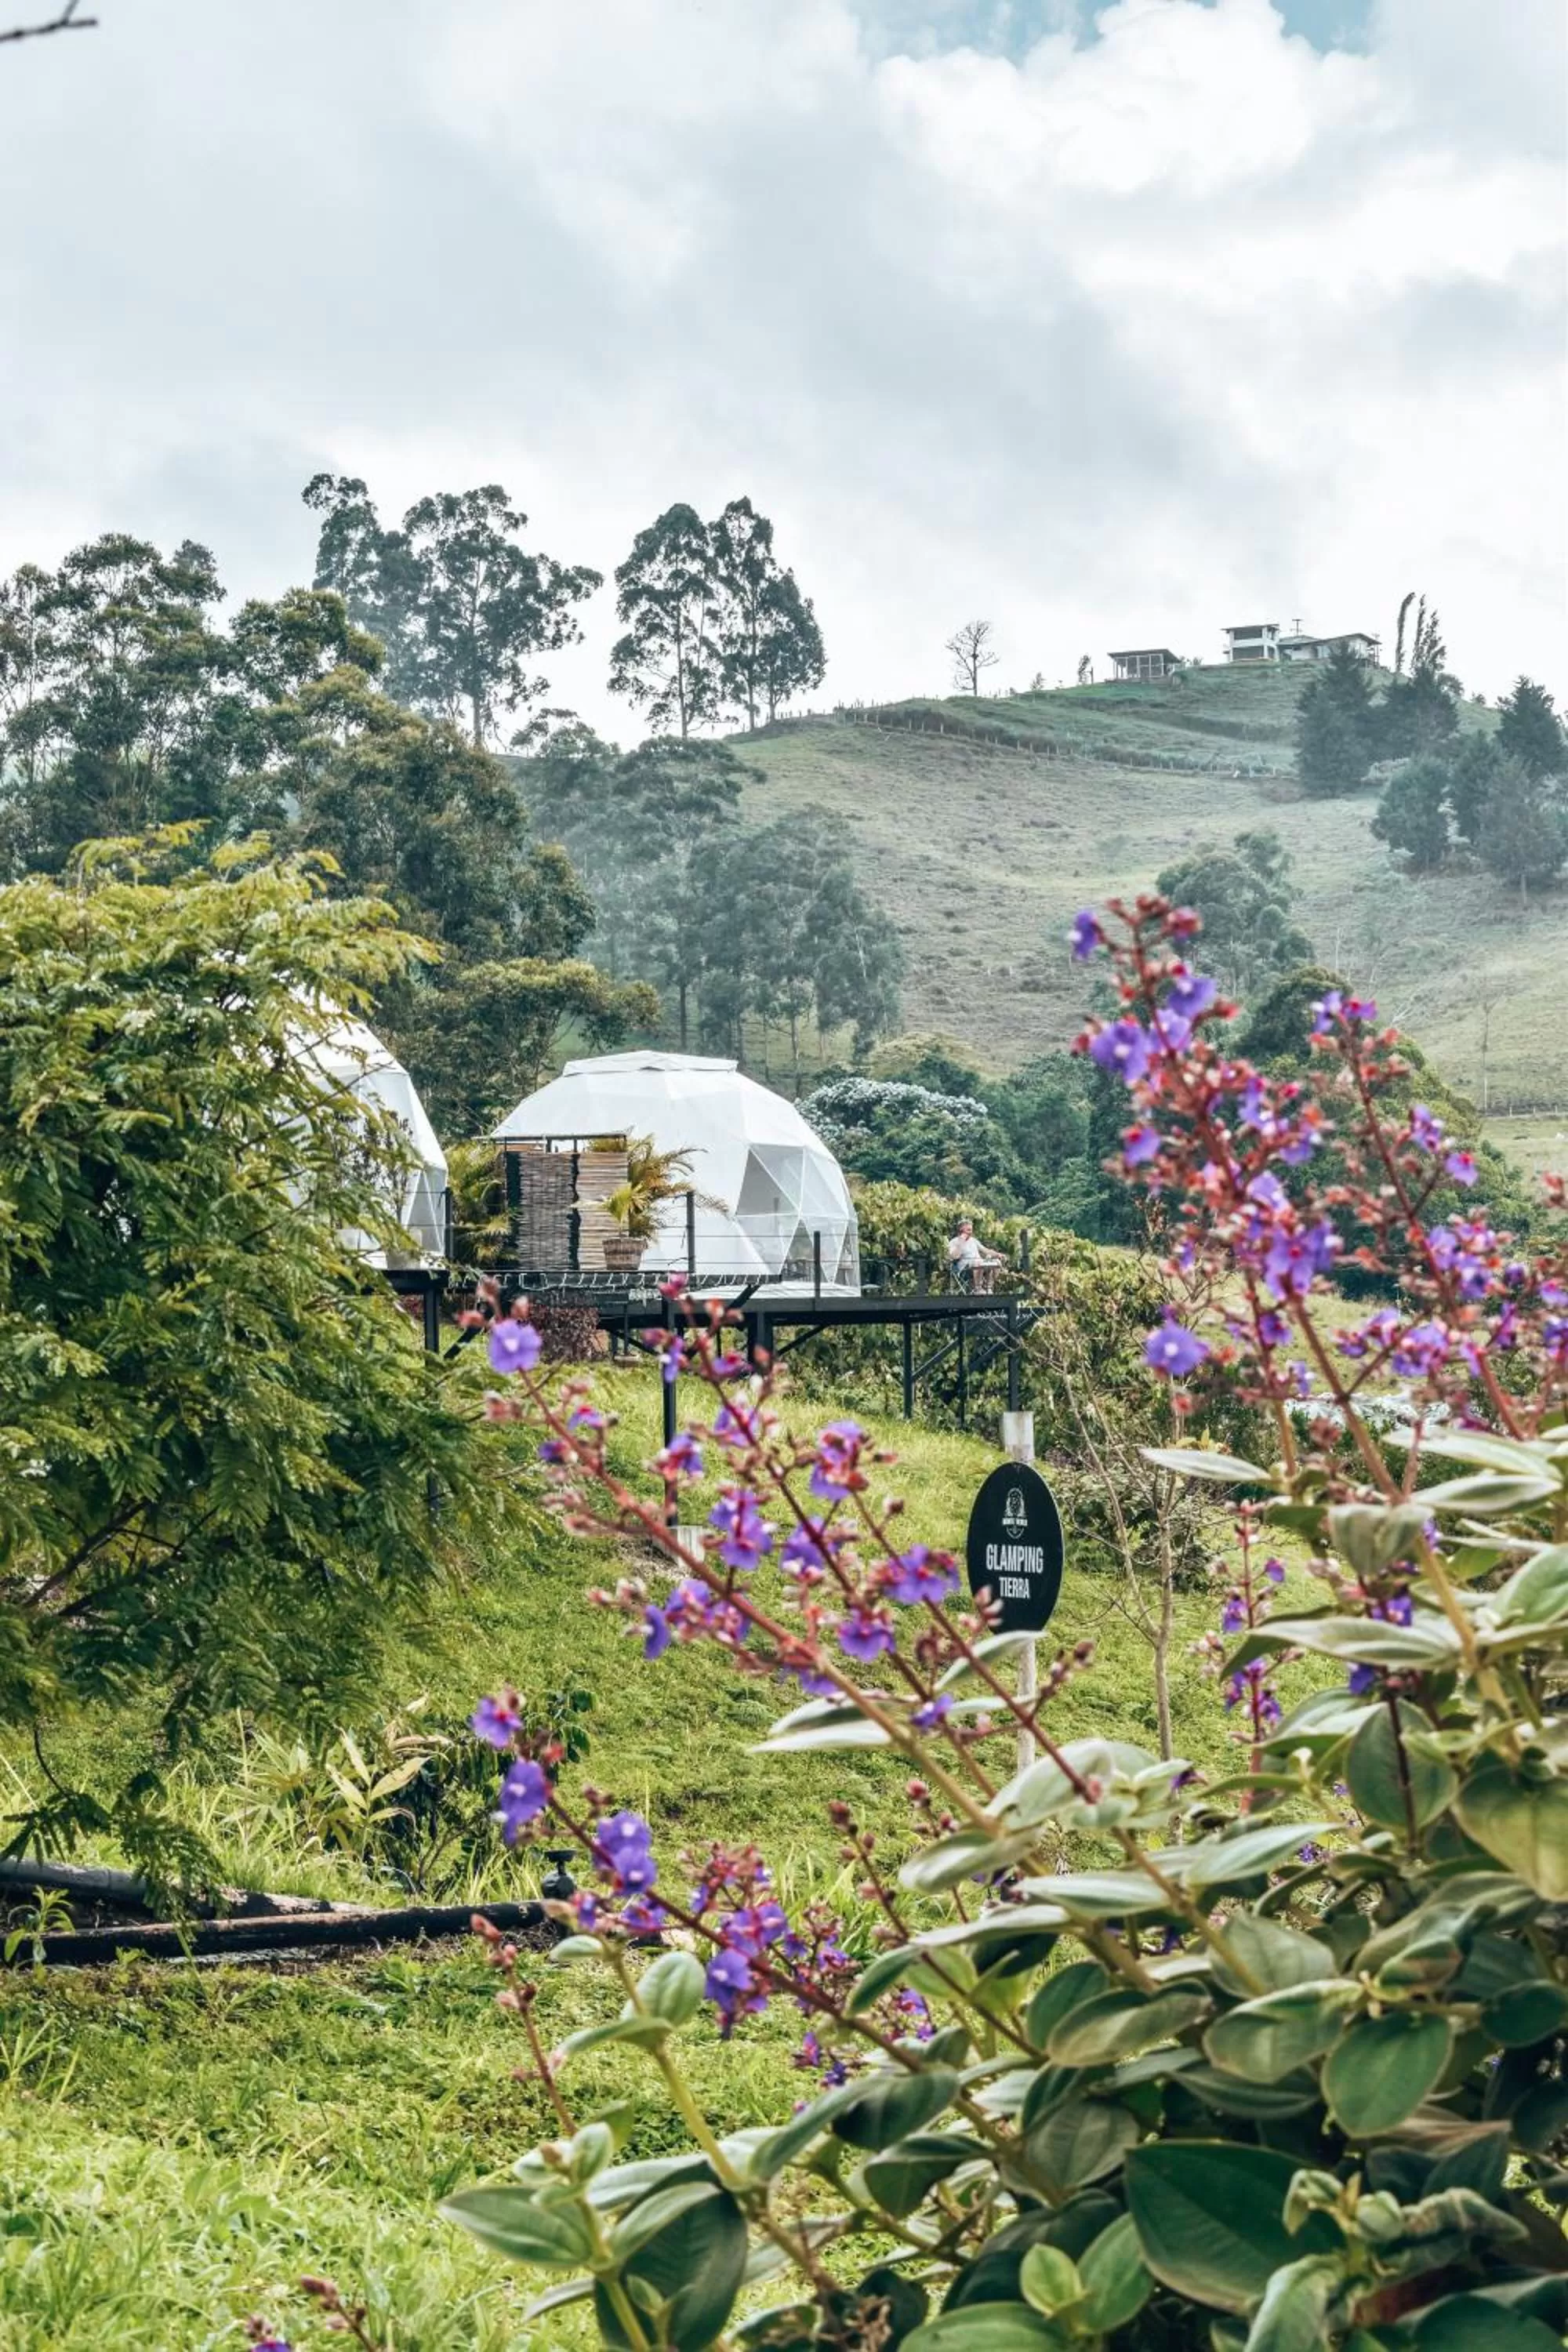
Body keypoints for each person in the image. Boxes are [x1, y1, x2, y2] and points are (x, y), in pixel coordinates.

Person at [946, 1218, 1005, 1294]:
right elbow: (954, 1256)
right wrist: (961, 1242)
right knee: (978, 1262)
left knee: (996, 1262)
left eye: (971, 1230)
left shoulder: (973, 1240)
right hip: (965, 1271)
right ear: (961, 1230)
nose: (970, 1232)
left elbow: (986, 1251)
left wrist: (998, 1254)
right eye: (968, 1230)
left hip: (980, 1265)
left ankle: (988, 1287)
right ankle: (978, 1288)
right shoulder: (954, 1242)